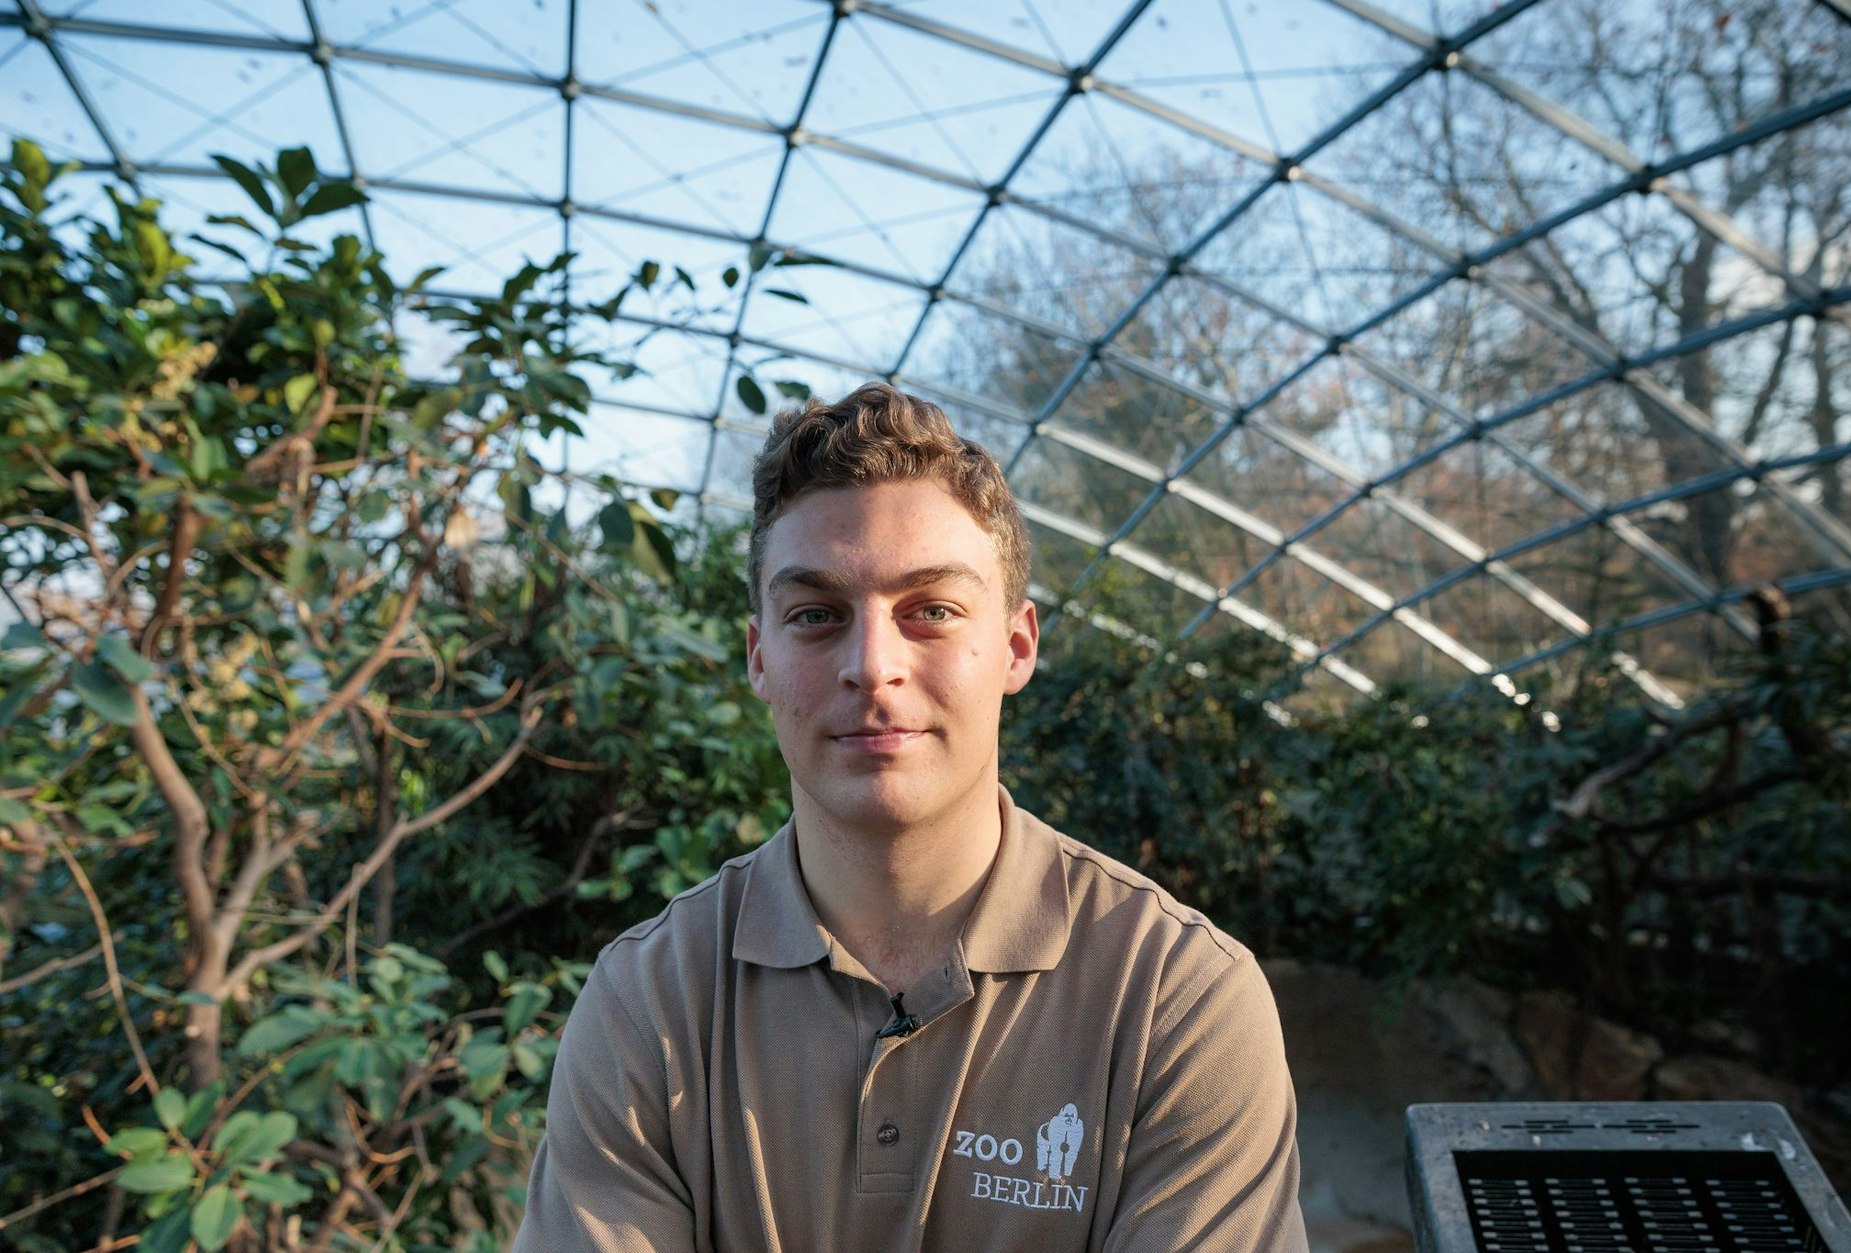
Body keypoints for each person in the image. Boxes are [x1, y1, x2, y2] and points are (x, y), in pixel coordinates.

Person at [514, 382, 1308, 1252]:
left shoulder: (1175, 999)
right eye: (816, 615)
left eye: (931, 610)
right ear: (759, 658)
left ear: (1016, 646)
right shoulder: (649, 1004)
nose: (871, 663)